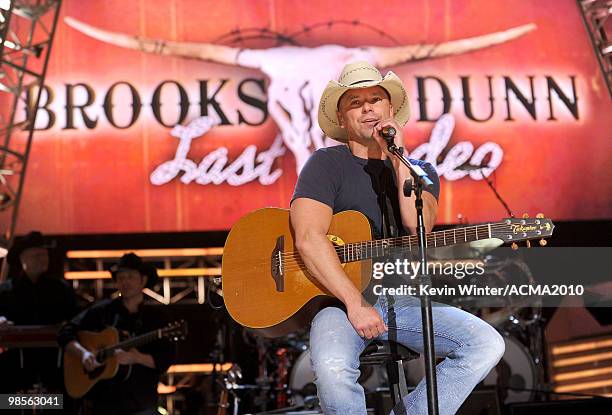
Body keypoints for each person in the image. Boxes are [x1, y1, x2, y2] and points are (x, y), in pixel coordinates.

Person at [290, 61, 505, 415]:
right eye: (355, 103)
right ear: (342, 119)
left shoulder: (419, 173)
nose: (368, 108)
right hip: (339, 302)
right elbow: (309, 239)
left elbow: (415, 222)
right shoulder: (325, 164)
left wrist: (398, 159)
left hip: (400, 300)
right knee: (331, 369)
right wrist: (355, 304)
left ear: (391, 110)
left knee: (485, 343)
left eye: (376, 99)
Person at [58, 253, 176, 415]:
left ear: (143, 280)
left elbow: (166, 358)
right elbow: (65, 333)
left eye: (131, 277)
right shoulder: (101, 311)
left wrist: (137, 357)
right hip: (104, 404)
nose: (125, 282)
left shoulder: (157, 318)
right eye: (121, 277)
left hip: (141, 403)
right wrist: (84, 354)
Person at [0, 231, 78, 393]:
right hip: (15, 364)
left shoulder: (61, 289)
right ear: (22, 259)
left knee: (54, 405)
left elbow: (76, 318)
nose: (43, 259)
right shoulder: (6, 290)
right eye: (36, 255)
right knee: (16, 404)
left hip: (54, 362)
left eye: (44, 255)